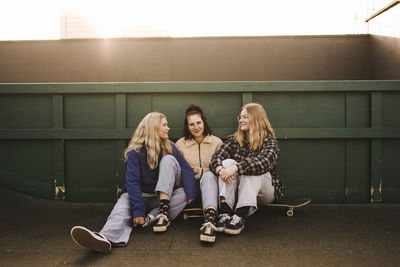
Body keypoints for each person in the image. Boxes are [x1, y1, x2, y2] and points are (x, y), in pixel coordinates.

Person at [70, 112, 197, 253]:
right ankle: (104, 238)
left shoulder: (169, 147)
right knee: (121, 210)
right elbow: (132, 182)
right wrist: (138, 209)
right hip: (138, 195)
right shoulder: (135, 152)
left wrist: (191, 192)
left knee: (182, 191)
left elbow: (185, 168)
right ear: (153, 128)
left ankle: (153, 217)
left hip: (160, 197)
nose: (168, 128)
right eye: (164, 125)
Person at [210, 103, 284, 235]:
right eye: (240, 117)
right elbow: (217, 157)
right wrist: (221, 170)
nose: (241, 120)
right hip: (240, 190)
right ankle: (226, 212)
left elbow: (264, 162)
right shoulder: (235, 140)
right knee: (226, 162)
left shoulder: (269, 141)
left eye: (245, 117)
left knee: (252, 170)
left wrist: (236, 168)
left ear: (256, 118)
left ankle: (240, 216)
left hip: (264, 192)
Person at [175, 104, 222, 243]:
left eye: (198, 123)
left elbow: (220, 167)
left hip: (211, 187)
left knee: (208, 176)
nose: (196, 127)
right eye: (191, 124)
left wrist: (204, 171)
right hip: (189, 189)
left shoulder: (217, 142)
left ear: (204, 122)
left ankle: (209, 222)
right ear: (187, 126)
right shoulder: (180, 144)